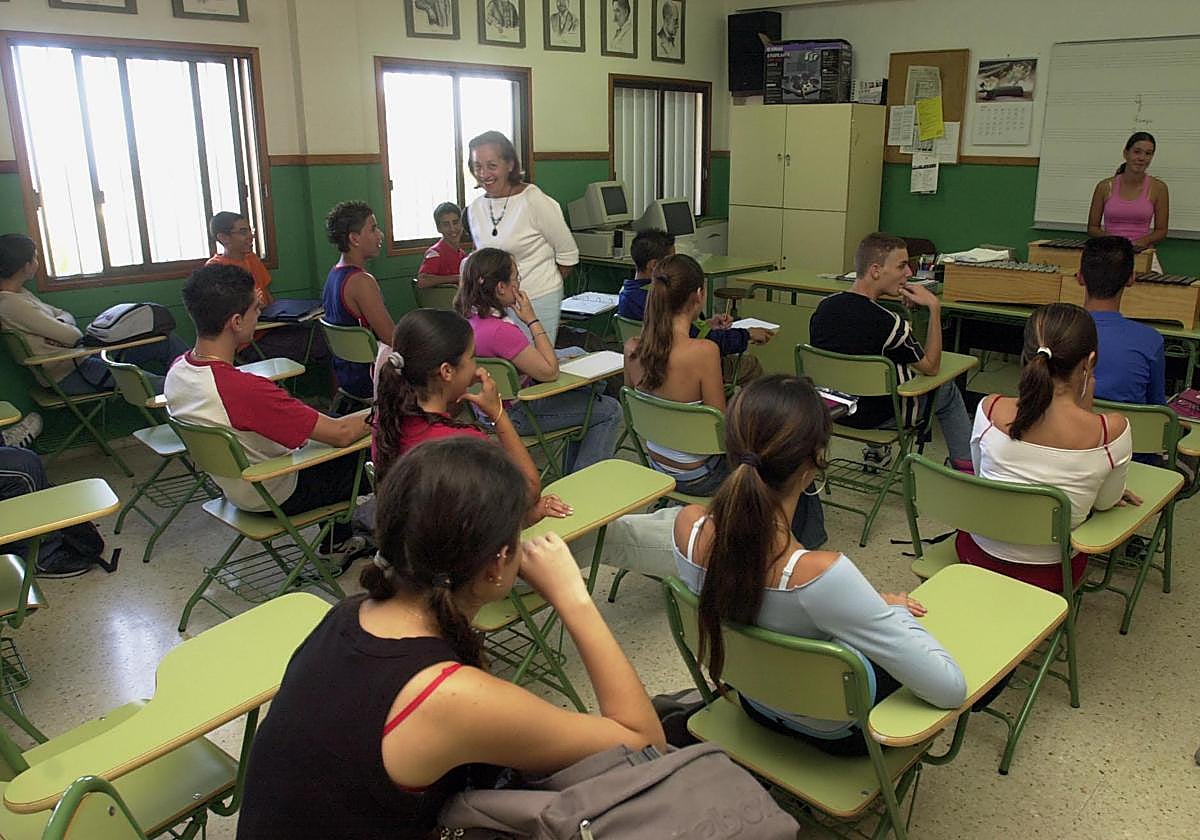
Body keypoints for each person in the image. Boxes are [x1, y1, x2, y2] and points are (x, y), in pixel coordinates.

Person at [235, 437, 666, 840]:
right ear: (497, 563)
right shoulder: (446, 696)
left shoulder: (348, 614)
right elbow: (645, 744)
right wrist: (573, 597)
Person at [676, 374, 966, 756]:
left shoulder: (688, 527)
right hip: (834, 734)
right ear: (815, 461)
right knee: (946, 639)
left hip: (753, 704)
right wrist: (891, 613)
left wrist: (865, 606)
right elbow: (949, 689)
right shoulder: (821, 574)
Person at [167, 263, 371, 557]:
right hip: (277, 495)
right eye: (255, 309)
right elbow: (340, 435)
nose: (260, 314)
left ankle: (339, 539)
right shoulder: (242, 390)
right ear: (236, 321)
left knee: (331, 422)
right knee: (378, 446)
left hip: (236, 489)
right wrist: (388, 406)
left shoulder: (178, 370)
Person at [626, 253, 826, 547]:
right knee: (791, 460)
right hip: (701, 475)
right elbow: (724, 429)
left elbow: (636, 403)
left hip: (658, 466)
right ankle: (797, 549)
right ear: (698, 295)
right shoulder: (704, 352)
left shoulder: (633, 348)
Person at [959, 303, 1137, 593]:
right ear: (1089, 361)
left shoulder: (989, 409)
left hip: (976, 555)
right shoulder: (1109, 432)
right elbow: (1104, 504)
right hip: (1052, 573)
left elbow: (984, 479)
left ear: (1025, 355)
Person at [373, 308, 571, 525]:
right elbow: (529, 490)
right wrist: (497, 412)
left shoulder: (388, 421)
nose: (477, 366)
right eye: (472, 357)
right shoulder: (462, 443)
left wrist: (529, 516)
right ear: (447, 371)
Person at [809, 231, 972, 471]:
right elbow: (931, 366)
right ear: (876, 270)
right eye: (902, 266)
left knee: (878, 372)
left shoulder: (824, 306)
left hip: (832, 410)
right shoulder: (889, 323)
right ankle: (968, 465)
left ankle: (876, 451)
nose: (909, 273)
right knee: (945, 389)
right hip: (874, 416)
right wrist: (934, 310)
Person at [457, 248, 620, 473]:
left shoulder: (468, 321)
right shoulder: (500, 331)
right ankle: (587, 481)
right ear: (500, 287)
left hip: (485, 410)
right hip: (516, 414)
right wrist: (532, 319)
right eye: (515, 278)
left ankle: (573, 469)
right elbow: (549, 371)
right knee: (609, 409)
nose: (518, 284)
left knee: (578, 359)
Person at [0, 233, 187, 395]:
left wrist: (60, 323)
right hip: (71, 372)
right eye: (35, 258)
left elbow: (65, 316)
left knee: (164, 340)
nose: (37, 262)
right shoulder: (11, 304)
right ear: (25, 265)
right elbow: (73, 335)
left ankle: (199, 376)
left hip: (83, 358)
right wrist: (63, 326)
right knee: (161, 384)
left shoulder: (20, 294)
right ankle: (201, 395)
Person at [465, 132, 578, 344]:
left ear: (509, 164)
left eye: (491, 165)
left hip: (537, 298)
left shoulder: (533, 200)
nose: (484, 173)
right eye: (477, 166)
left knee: (537, 366)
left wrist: (542, 287)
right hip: (494, 304)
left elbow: (568, 254)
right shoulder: (474, 209)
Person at [618, 228, 768, 384]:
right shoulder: (661, 299)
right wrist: (747, 335)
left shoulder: (627, 294)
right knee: (751, 365)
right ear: (654, 265)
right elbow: (704, 341)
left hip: (649, 368)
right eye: (671, 261)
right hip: (680, 367)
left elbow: (683, 330)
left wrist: (706, 324)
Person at [207, 211, 328, 365]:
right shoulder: (215, 269)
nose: (250, 237)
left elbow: (268, 299)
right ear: (223, 238)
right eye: (243, 232)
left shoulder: (252, 259)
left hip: (270, 330)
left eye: (250, 231)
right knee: (323, 341)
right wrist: (253, 305)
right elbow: (222, 317)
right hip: (248, 343)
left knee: (323, 331)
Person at [1078, 235, 1165, 406]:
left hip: (1065, 430)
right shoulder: (1151, 340)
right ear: (1131, 278)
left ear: (1080, 277)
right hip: (1128, 431)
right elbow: (1157, 409)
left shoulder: (1054, 331)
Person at [321, 201, 393, 404]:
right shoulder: (361, 282)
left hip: (346, 377)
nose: (380, 235)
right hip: (370, 378)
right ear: (354, 238)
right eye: (373, 228)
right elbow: (391, 338)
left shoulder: (334, 275)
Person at [1087, 132, 1169, 259]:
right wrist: (1115, 242)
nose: (1142, 158)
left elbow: (1161, 231)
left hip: (1141, 252)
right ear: (1126, 154)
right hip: (1110, 252)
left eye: (1148, 153)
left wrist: (1140, 243)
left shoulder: (1159, 188)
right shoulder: (1104, 186)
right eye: (1137, 152)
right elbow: (1092, 228)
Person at [416, 202, 467, 289]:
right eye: (446, 225)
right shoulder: (435, 253)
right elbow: (422, 281)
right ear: (439, 228)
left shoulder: (462, 254)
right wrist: (457, 277)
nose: (452, 229)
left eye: (455, 222)